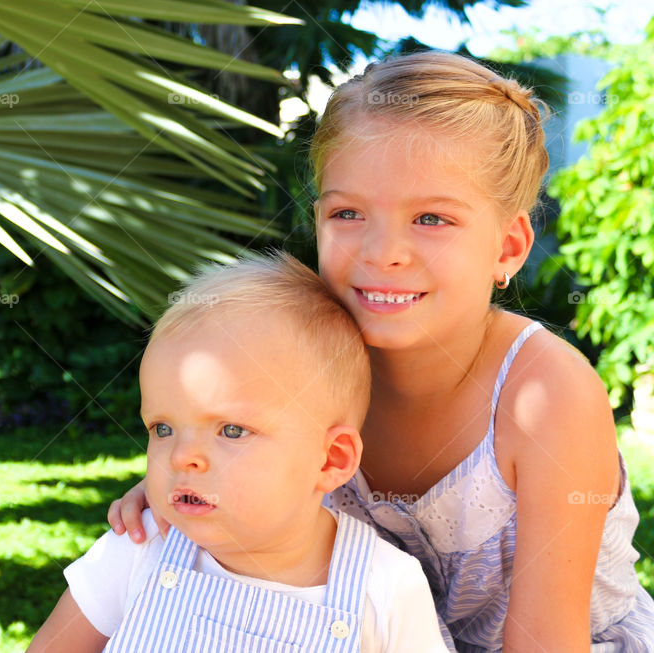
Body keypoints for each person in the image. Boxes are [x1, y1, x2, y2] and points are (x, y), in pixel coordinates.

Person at [108, 51, 654, 652]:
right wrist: (193, 489)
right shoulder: (300, 364)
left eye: (430, 218)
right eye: (348, 212)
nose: (382, 251)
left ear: (508, 247)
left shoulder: (544, 394)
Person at [28, 252, 450, 652]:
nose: (181, 457)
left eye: (231, 430)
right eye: (163, 428)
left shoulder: (385, 587)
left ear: (330, 460)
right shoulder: (140, 547)